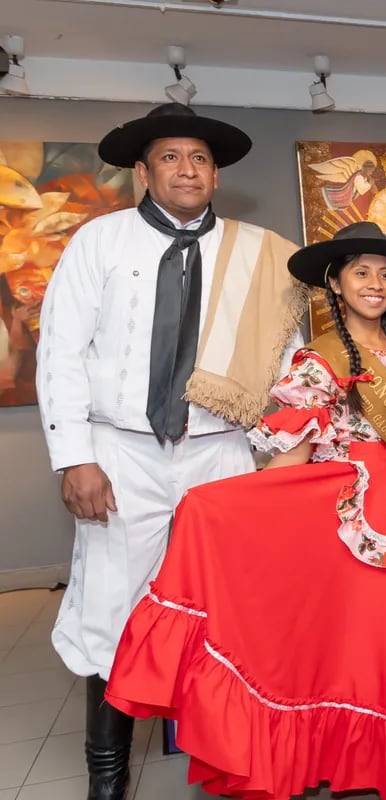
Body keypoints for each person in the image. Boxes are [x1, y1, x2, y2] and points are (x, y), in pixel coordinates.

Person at [104, 222, 386, 800]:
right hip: (356, 516)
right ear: (335, 284)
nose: (375, 283)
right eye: (361, 272)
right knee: (364, 645)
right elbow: (295, 454)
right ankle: (353, 757)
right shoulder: (321, 359)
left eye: (385, 274)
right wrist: (242, 510)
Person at [35, 103, 307, 800]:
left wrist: (292, 453)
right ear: (143, 171)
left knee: (224, 610)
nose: (187, 169)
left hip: (220, 454)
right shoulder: (101, 242)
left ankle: (226, 758)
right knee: (116, 607)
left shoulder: (261, 254)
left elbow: (290, 364)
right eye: (170, 157)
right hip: (120, 453)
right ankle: (108, 772)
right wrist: (75, 458)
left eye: (199, 159)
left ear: (216, 175)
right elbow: (61, 351)